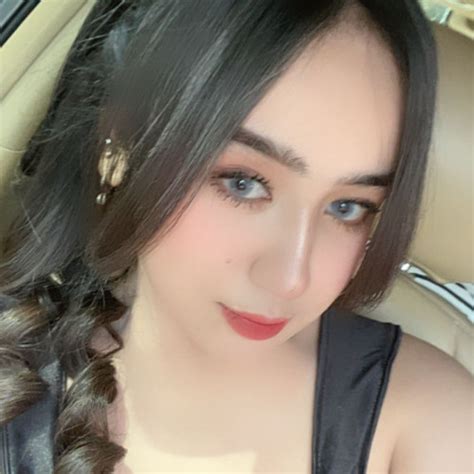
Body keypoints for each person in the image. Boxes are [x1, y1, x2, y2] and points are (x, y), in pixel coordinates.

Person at [0, 1, 472, 473]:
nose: (290, 280)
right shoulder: (14, 362)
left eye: (347, 207)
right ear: (121, 149)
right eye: (242, 182)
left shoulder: (431, 419)